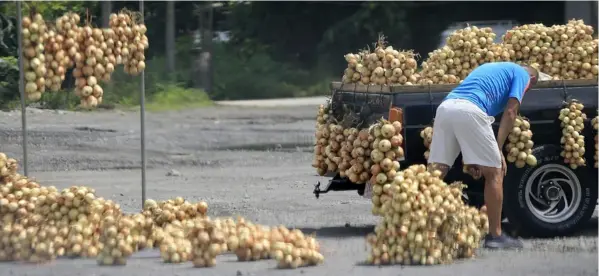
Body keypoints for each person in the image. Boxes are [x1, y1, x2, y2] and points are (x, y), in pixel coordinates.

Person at [427, 62, 539, 249]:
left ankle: (419, 226)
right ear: (532, 79)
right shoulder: (523, 75)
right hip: (470, 110)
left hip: (446, 107)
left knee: (436, 172)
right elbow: (511, 112)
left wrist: (472, 158)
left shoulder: (493, 67)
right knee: (495, 172)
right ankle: (495, 236)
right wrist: (499, 148)